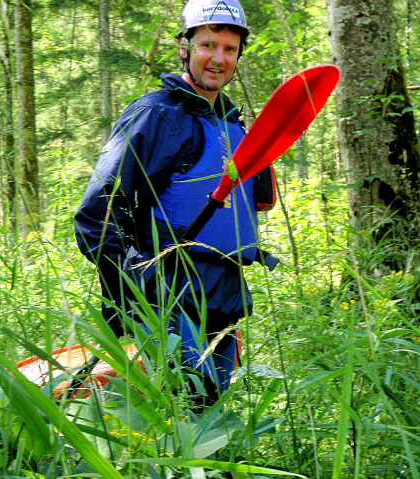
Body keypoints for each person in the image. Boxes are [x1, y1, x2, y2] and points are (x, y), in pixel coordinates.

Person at [74, 0, 278, 404]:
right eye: (208, 45)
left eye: (230, 49)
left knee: (210, 414)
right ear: (184, 47)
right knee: (192, 404)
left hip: (225, 291)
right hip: (167, 293)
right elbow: (96, 216)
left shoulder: (235, 125)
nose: (218, 58)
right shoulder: (155, 116)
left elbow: (254, 204)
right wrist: (130, 288)